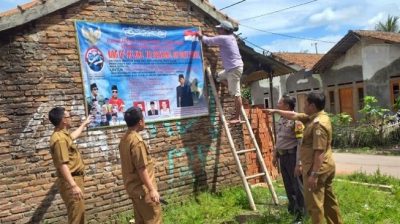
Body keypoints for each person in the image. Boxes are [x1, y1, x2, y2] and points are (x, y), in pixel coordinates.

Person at [266, 92, 343, 224]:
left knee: (314, 205)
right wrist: (275, 111)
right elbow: (294, 115)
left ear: (312, 106)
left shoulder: (318, 124)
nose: (303, 106)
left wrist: (314, 174)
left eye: (305, 104)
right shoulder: (314, 117)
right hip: (324, 167)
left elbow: (319, 151)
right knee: (329, 201)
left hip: (317, 168)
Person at [48, 107, 92, 224]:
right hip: (71, 181)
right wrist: (73, 185)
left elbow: (73, 136)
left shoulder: (63, 136)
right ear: (64, 120)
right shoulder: (60, 140)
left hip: (75, 179)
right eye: (69, 116)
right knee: (76, 217)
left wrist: (84, 124)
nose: (71, 118)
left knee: (79, 214)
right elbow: (63, 165)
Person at [119, 107, 162, 224]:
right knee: (154, 220)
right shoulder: (137, 141)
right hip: (144, 192)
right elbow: (141, 168)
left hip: (134, 191)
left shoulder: (124, 139)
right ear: (140, 122)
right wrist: (152, 190)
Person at [197, 20, 244, 124]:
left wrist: (200, 36)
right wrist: (208, 35)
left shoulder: (223, 38)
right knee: (218, 77)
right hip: (232, 68)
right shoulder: (232, 37)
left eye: (219, 29)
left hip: (234, 69)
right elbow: (215, 38)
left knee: (236, 94)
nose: (218, 30)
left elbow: (208, 41)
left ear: (224, 29)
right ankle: (232, 87)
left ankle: (237, 117)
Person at [272, 95, 305, 223]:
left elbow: (300, 143)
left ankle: (301, 214)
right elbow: (279, 138)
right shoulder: (281, 119)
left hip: (292, 157)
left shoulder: (297, 121)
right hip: (283, 157)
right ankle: (292, 209)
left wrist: (299, 163)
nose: (278, 104)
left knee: (297, 186)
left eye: (280, 102)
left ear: (286, 106)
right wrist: (275, 154)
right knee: (288, 185)